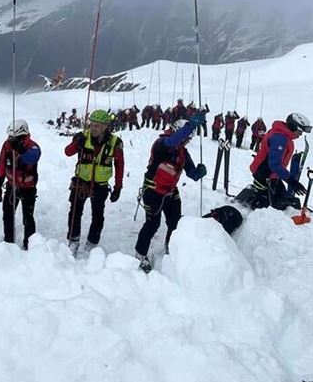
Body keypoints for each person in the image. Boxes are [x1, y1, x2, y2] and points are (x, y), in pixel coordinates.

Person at [134, 116, 208, 272]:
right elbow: (173, 141)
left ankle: (171, 249)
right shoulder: (162, 144)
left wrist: (199, 173)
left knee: (175, 223)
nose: (188, 141)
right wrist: (191, 124)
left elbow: (191, 173)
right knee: (152, 224)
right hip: (153, 190)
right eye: (187, 137)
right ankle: (140, 254)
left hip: (170, 192)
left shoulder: (183, 152)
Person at [64, 109, 124, 254]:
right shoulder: (82, 136)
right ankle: (73, 239)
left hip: (101, 184)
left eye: (97, 125)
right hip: (81, 181)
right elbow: (67, 152)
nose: (93, 128)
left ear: (105, 126)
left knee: (98, 214)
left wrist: (118, 187)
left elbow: (120, 165)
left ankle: (92, 241)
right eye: (91, 124)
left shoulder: (115, 143)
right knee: (75, 211)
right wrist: (77, 143)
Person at [235, 113, 312, 210]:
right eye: (300, 131)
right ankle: (248, 208)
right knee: (268, 207)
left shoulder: (282, 135)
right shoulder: (280, 139)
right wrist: (292, 182)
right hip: (265, 175)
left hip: (272, 175)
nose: (300, 134)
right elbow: (275, 165)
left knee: (282, 199)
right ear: (293, 127)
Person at [0, 119, 42, 249]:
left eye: (12, 137)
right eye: (9, 136)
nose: (10, 139)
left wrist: (21, 149)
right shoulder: (7, 146)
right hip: (12, 186)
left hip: (28, 188)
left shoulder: (33, 147)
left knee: (28, 217)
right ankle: (8, 241)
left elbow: (32, 157)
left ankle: (29, 243)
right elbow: (2, 164)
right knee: (7, 214)